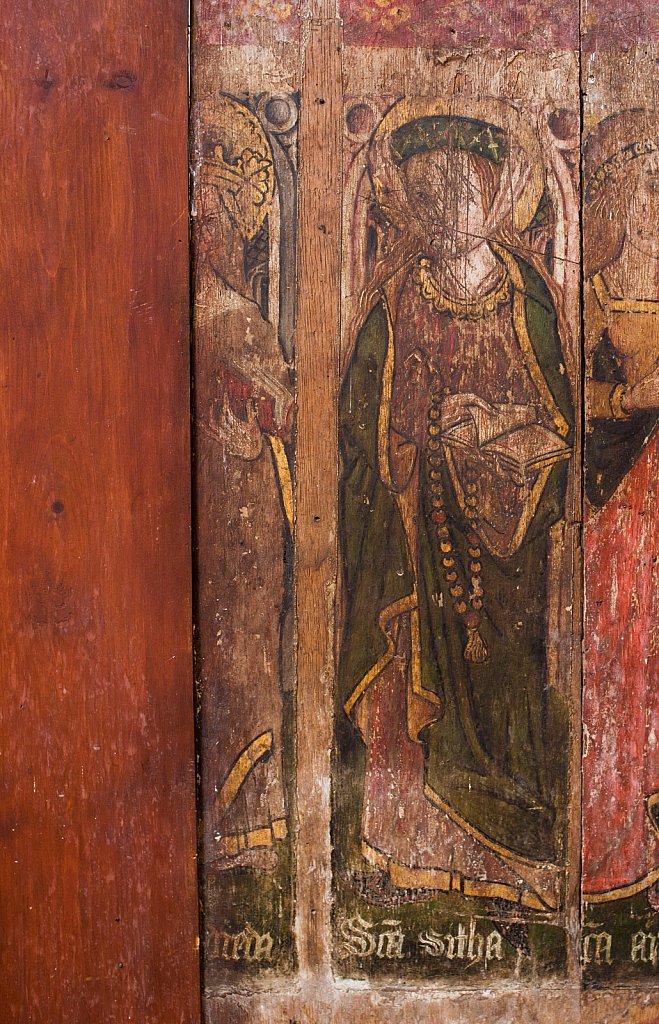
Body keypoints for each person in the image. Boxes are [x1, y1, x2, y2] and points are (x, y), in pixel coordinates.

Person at [337, 98, 574, 912]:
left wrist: (503, 433)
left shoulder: (529, 298)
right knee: (413, 698)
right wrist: (421, 430)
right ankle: (414, 853)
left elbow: (563, 415)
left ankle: (519, 858)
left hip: (517, 545)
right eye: (427, 195)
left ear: (494, 191)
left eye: (461, 191)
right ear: (408, 205)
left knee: (512, 700)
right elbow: (360, 429)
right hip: (421, 541)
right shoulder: (396, 299)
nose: (447, 209)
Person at [194, 96, 294, 872]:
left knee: (239, 657)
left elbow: (278, 420)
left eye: (217, 219)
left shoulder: (238, 320)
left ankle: (241, 831)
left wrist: (257, 423)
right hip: (208, 526)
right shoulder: (213, 316)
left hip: (238, 525)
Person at [582, 110, 659, 908]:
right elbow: (561, 394)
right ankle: (618, 847)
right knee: (620, 667)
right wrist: (628, 393)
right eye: (648, 180)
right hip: (621, 504)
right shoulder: (590, 294)